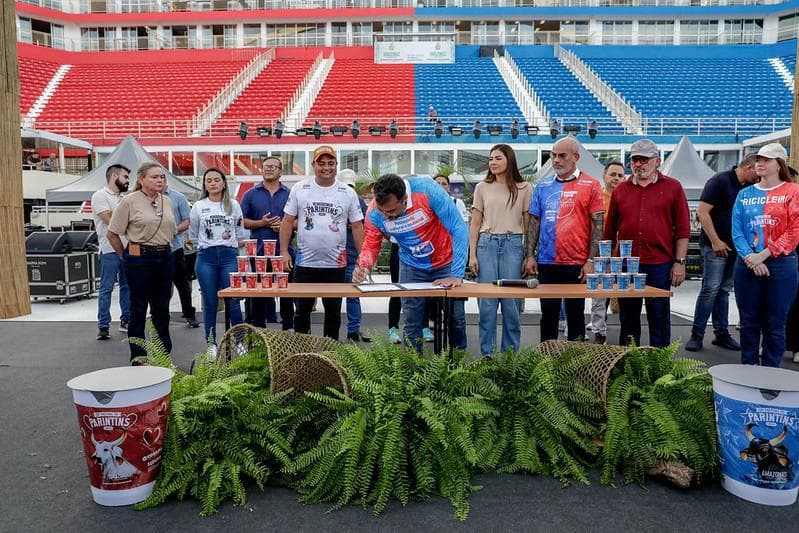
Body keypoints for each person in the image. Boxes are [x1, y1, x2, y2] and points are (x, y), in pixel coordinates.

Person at [353, 174, 469, 353]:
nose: (387, 216)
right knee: (412, 322)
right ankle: (412, 373)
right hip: (411, 266)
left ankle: (458, 368)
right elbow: (371, 242)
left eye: (391, 211)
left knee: (456, 319)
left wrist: (456, 273)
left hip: (446, 261)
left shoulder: (428, 191)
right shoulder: (375, 212)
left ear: (405, 198)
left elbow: (458, 228)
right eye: (383, 211)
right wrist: (363, 265)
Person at [604, 139, 691, 348]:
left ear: (657, 161)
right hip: (627, 265)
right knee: (628, 319)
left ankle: (659, 368)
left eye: (644, 160)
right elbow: (609, 230)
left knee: (659, 317)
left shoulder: (673, 187)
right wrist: (607, 262)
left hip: (659, 264)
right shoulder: (620, 190)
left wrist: (679, 262)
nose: (638, 164)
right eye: (634, 160)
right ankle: (630, 367)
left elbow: (683, 229)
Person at [279, 145, 364, 340]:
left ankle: (330, 353)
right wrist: (284, 251)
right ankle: (303, 353)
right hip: (305, 263)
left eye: (331, 163)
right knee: (302, 311)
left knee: (333, 312)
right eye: (321, 163)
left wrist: (362, 259)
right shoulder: (301, 188)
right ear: (313, 165)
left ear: (336, 165)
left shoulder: (347, 192)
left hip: (335, 264)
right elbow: (287, 222)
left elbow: (358, 227)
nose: (326, 167)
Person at [525, 137, 604, 342]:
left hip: (576, 263)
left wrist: (590, 261)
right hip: (547, 262)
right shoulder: (542, 186)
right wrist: (530, 256)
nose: (556, 160)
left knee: (576, 315)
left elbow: (598, 225)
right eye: (553, 155)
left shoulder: (591, 185)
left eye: (562, 156)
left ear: (576, 158)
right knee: (548, 316)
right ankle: (546, 364)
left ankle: (575, 367)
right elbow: (533, 222)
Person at [732, 143, 799, 368]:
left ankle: (771, 374)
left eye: (766, 160)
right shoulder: (744, 194)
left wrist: (764, 255)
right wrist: (751, 258)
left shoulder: (793, 192)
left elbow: (795, 230)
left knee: (775, 324)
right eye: (758, 159)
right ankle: (748, 370)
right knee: (748, 322)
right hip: (747, 263)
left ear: (779, 164)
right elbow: (737, 230)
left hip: (781, 264)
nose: (759, 163)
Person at [684, 154, 758, 352]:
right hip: (714, 245)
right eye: (757, 171)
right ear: (749, 168)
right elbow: (702, 211)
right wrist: (716, 241)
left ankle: (721, 333)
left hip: (736, 246)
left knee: (723, 289)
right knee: (710, 289)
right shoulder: (719, 180)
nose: (758, 176)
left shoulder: (748, 187)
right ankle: (697, 334)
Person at [107, 162, 177, 364]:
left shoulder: (167, 201)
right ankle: (139, 357)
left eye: (162, 177)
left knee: (162, 309)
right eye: (154, 177)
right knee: (138, 308)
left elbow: (171, 230)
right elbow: (112, 233)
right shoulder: (129, 201)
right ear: (141, 179)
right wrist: (126, 257)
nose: (160, 180)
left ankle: (164, 356)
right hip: (140, 257)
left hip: (164, 256)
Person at [469, 144, 532, 356]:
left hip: (513, 245)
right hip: (486, 244)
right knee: (486, 307)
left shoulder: (524, 188)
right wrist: (472, 254)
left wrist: (529, 254)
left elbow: (528, 224)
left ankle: (509, 358)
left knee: (511, 307)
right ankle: (487, 356)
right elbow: (475, 223)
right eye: (491, 159)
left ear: (509, 160)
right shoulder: (482, 187)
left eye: (498, 158)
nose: (493, 163)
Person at [189, 168, 247, 354]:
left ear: (223, 183)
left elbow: (240, 232)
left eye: (216, 180)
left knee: (234, 300)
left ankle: (239, 342)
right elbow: (193, 233)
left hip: (229, 255)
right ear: (204, 185)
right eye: (208, 181)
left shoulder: (233, 204)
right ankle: (211, 345)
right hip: (206, 257)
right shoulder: (199, 206)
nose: (213, 183)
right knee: (210, 302)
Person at [241, 155, 294, 330]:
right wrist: (261, 223)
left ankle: (288, 329)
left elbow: (301, 221)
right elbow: (241, 221)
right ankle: (259, 330)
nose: (269, 169)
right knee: (258, 293)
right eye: (266, 166)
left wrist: (286, 225)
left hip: (284, 252)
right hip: (258, 252)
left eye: (273, 166)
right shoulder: (250, 194)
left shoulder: (291, 194)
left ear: (281, 171)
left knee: (286, 293)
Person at [587, 160, 625, 344]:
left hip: (624, 258)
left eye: (620, 175)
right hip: (602, 257)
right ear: (604, 176)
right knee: (600, 298)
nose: (616, 178)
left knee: (624, 298)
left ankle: (627, 336)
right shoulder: (597, 199)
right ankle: (598, 333)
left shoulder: (626, 198)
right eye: (613, 174)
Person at [92, 164, 131, 341]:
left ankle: (126, 319)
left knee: (127, 286)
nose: (128, 181)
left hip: (127, 247)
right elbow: (110, 220)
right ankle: (103, 325)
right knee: (106, 288)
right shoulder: (100, 195)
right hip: (108, 249)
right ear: (114, 176)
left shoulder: (124, 197)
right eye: (125, 177)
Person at [339, 169, 371, 342]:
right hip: (334, 258)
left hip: (352, 255)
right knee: (334, 299)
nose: (348, 189)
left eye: (351, 186)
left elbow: (368, 224)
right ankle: (334, 333)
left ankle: (353, 330)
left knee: (353, 296)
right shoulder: (333, 199)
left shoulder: (358, 201)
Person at [164, 179, 199, 329]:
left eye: (161, 177)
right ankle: (158, 315)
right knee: (159, 286)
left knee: (183, 285)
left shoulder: (178, 197)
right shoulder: (142, 198)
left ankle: (189, 314)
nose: (159, 181)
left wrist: (173, 231)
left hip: (176, 248)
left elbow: (187, 220)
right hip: (153, 249)